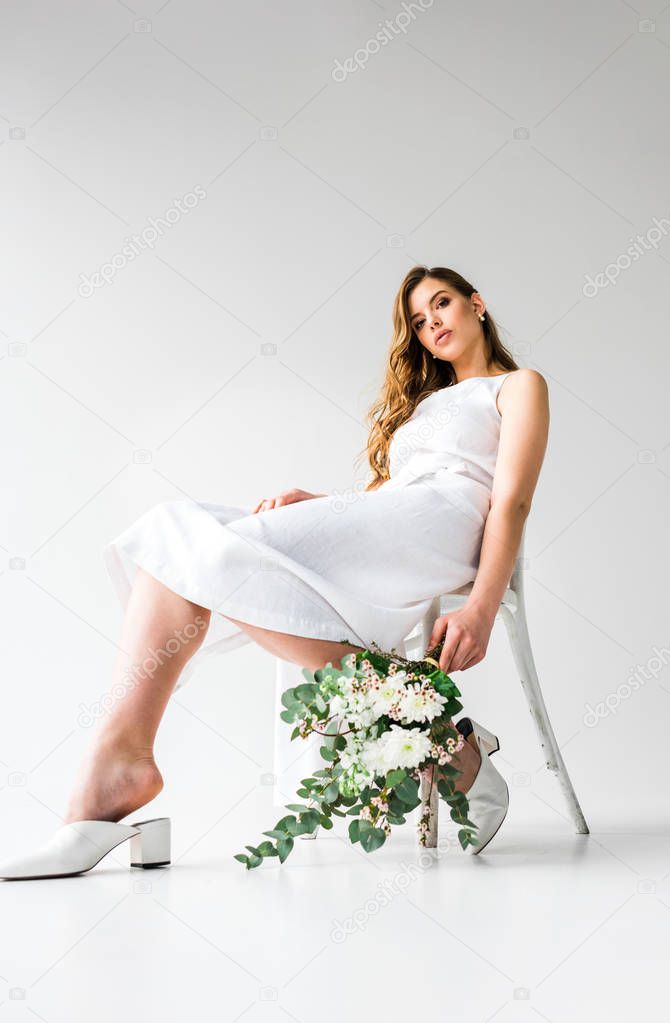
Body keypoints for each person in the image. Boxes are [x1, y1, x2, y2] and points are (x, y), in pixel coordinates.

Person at [0, 264, 549, 879]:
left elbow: (513, 502)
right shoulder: (423, 408)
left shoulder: (518, 385)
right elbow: (386, 495)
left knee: (194, 549)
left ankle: (116, 772)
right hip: (396, 517)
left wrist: (479, 608)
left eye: (442, 304)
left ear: (477, 305)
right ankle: (126, 758)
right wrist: (318, 502)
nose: (432, 324)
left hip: (444, 524)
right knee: (178, 540)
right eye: (419, 321)